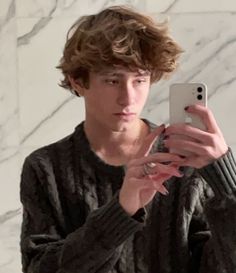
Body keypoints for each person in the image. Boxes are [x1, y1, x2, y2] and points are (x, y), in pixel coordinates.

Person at [20, 5, 236, 273]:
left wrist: (228, 187)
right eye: (112, 81)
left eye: (140, 80)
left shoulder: (187, 161)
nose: (128, 98)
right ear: (77, 81)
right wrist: (121, 211)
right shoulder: (45, 168)